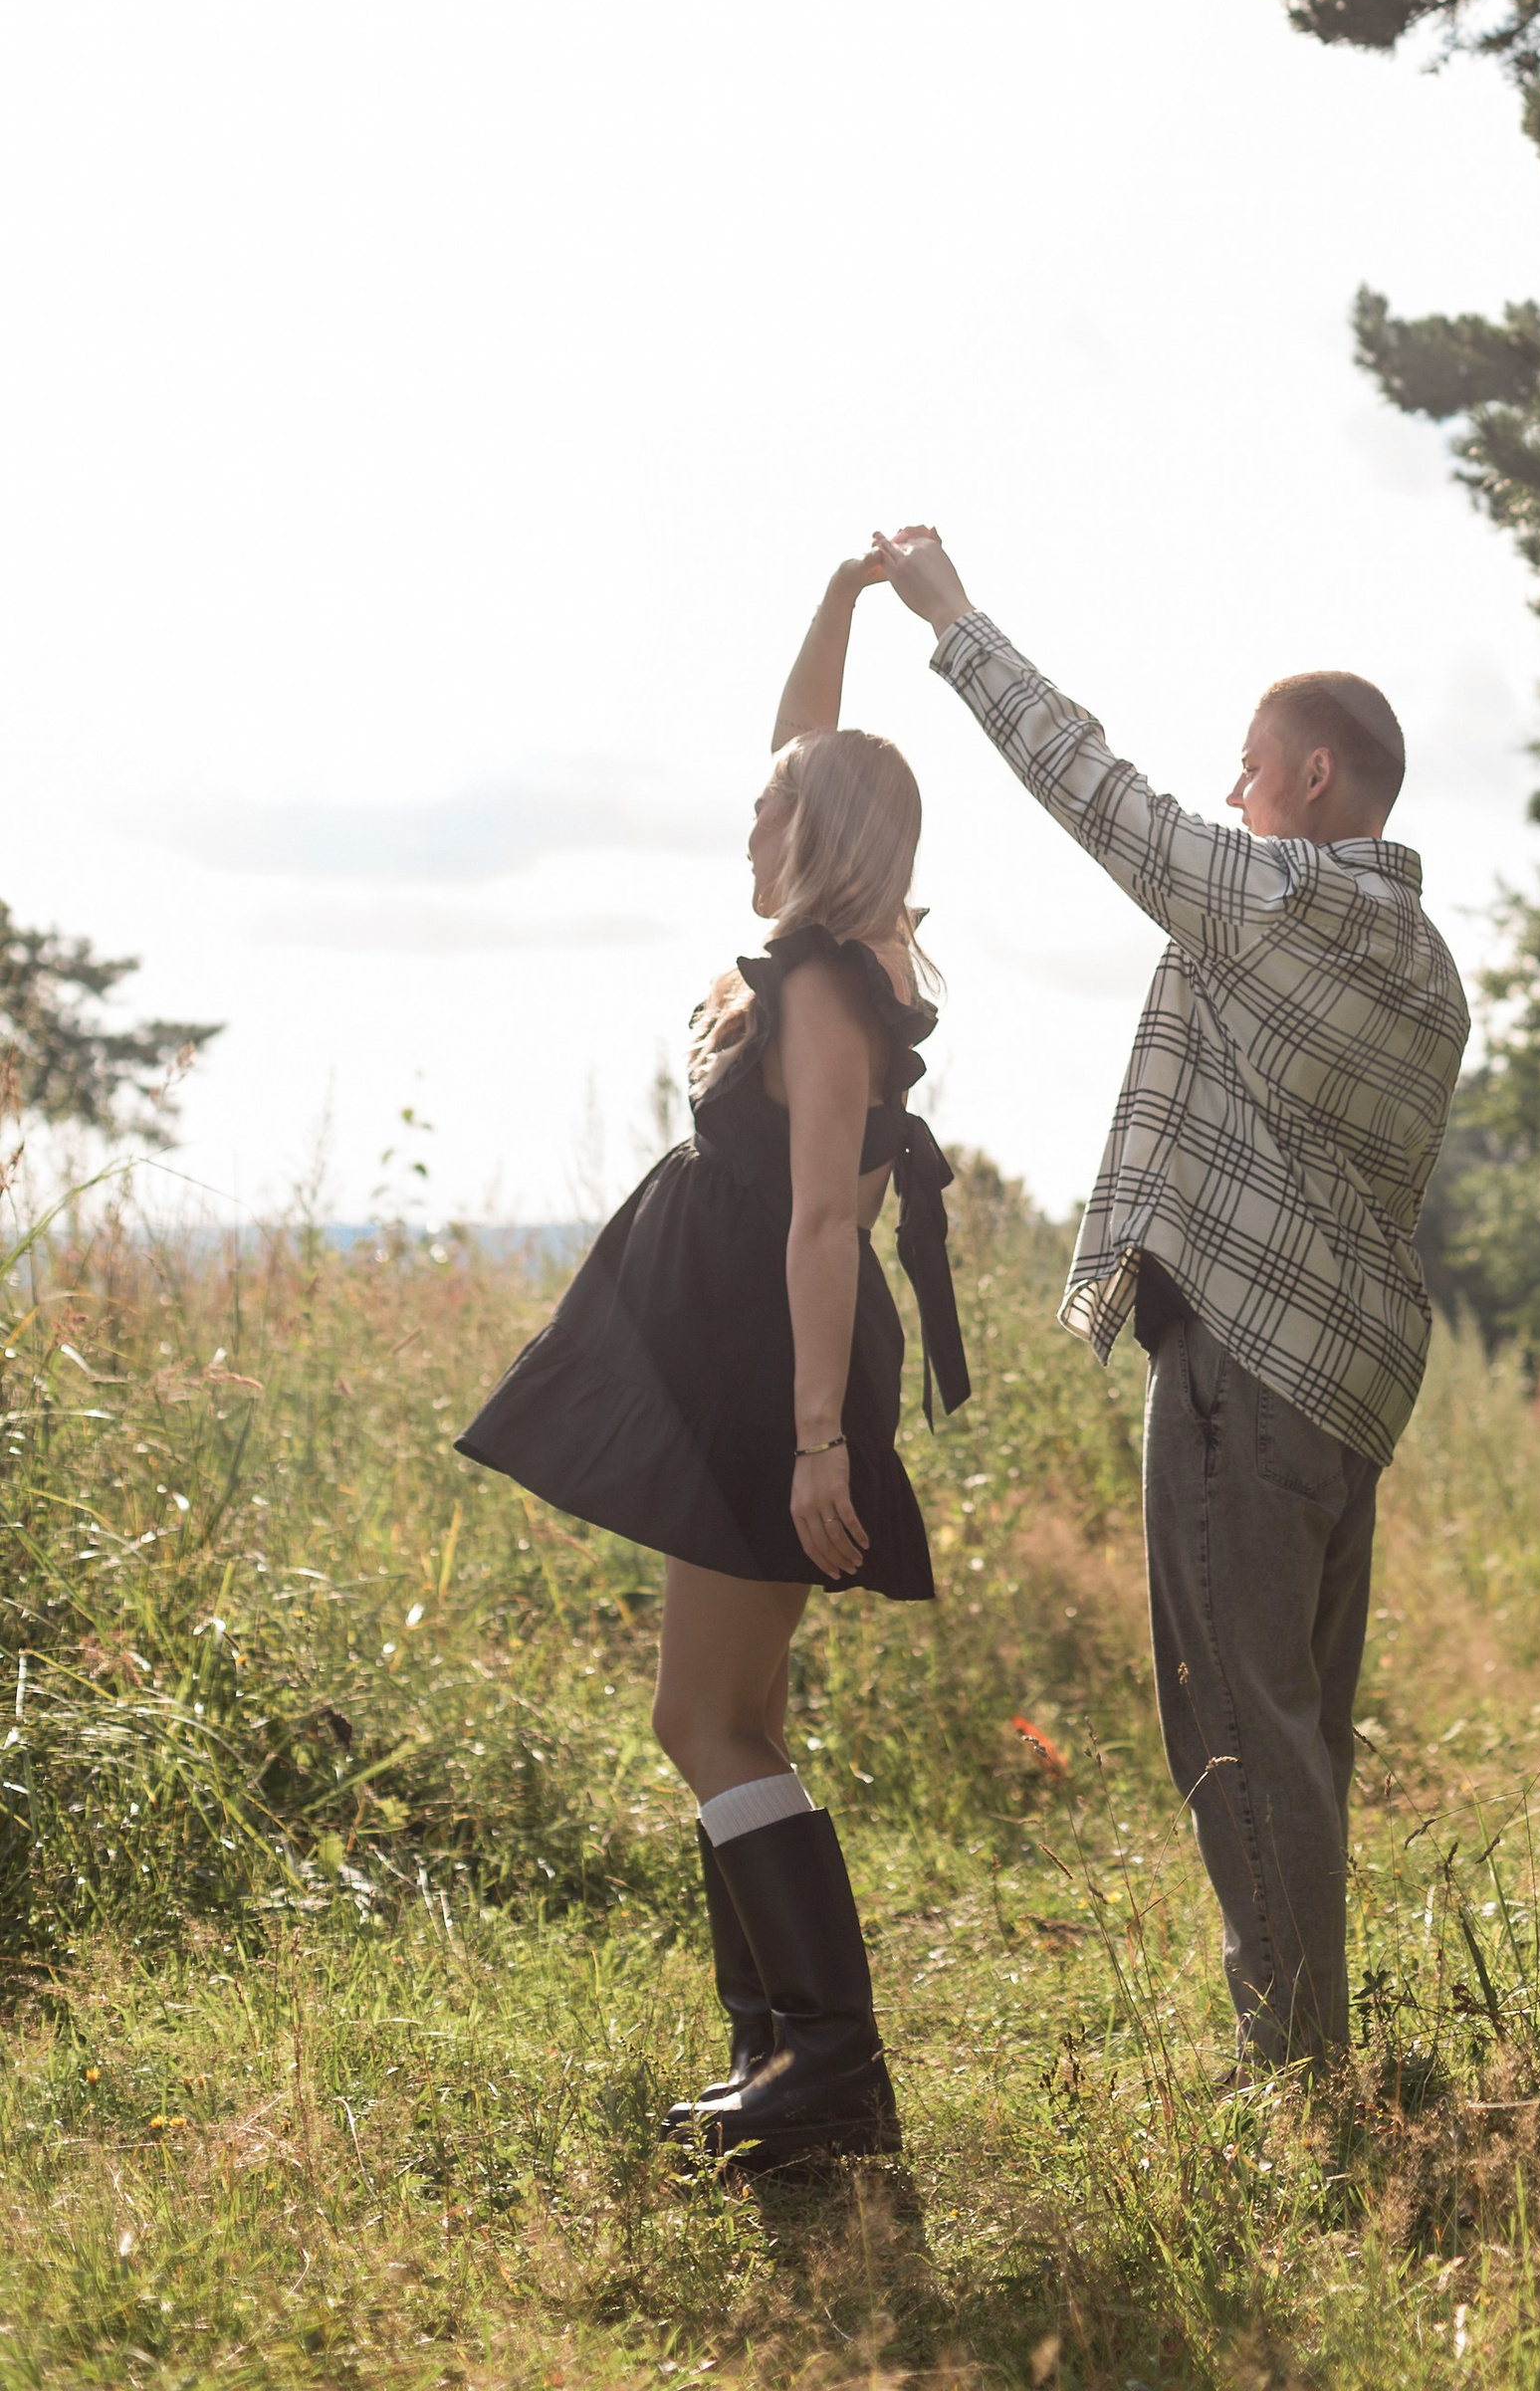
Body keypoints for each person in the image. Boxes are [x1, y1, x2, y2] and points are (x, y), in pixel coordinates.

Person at [872, 523, 1468, 2071]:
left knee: (1237, 1737)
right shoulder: (1429, 959)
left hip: (1246, 1377)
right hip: (1349, 1395)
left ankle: (1299, 2083)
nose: (1235, 794)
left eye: (1255, 770)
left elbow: (1102, 796)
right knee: (1302, 1738)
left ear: (1318, 781)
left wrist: (954, 619)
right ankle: (1319, 2059)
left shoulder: (1279, 899)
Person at [454, 551, 969, 2171]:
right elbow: (805, 751)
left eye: (770, 815)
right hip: (760, 1365)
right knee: (733, 1717)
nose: (745, 830)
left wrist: (820, 1448)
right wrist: (835, 603)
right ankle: (778, 2054)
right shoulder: (853, 943)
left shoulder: (821, 988)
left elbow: (826, 1226)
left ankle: (828, 2070)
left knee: (703, 1720)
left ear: (816, 842)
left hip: (773, 1373)